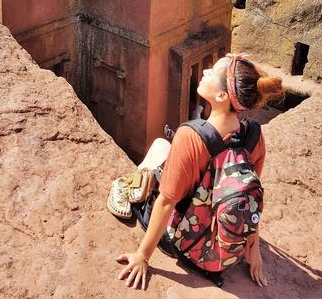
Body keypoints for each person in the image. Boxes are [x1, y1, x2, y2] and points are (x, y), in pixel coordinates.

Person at [115, 53, 284, 291]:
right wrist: (253, 248)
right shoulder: (254, 136)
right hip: (225, 251)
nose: (204, 73)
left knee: (158, 148)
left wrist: (142, 256)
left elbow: (166, 202)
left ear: (222, 96)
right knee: (165, 151)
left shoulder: (192, 136)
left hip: (187, 242)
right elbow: (252, 198)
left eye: (212, 72)